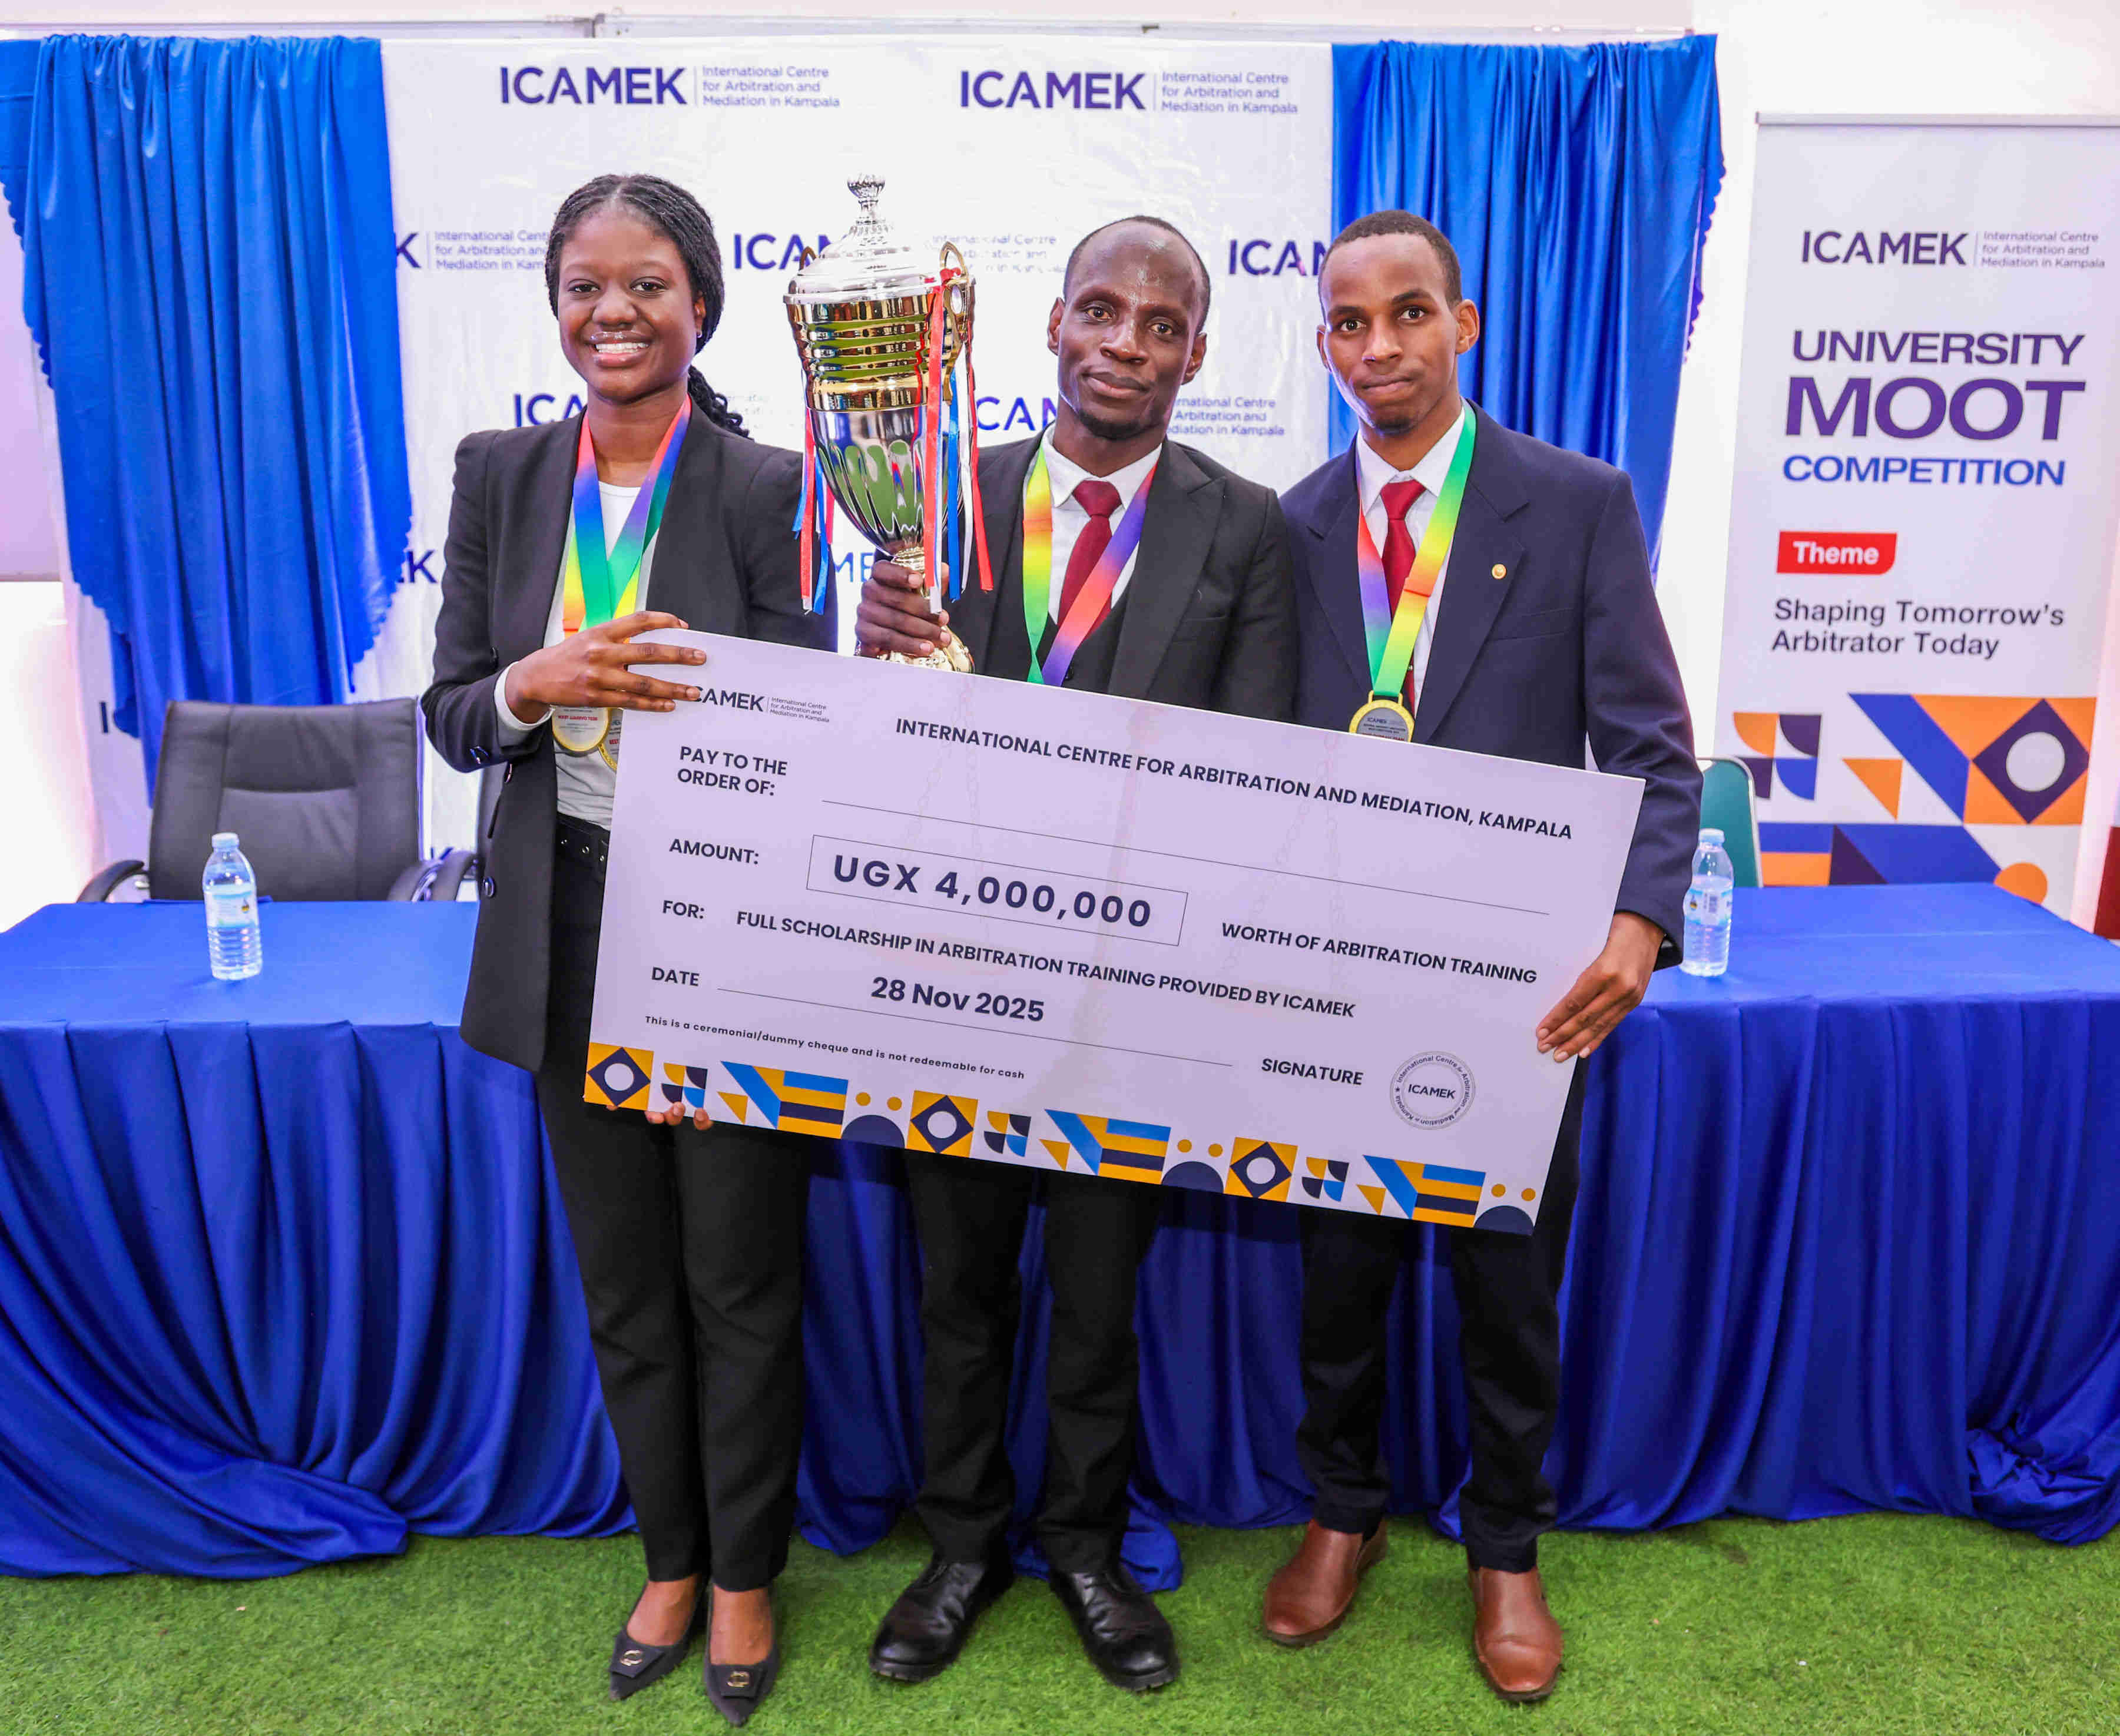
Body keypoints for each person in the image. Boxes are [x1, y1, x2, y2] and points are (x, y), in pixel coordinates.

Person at [1257, 210, 1700, 1702]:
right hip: (1331, 974)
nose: (1378, 344)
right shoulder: (1290, 525)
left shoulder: (1574, 504)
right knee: (1338, 1274)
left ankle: (1505, 1547)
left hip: (1521, 991)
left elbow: (1653, 749)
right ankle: (1343, 1513)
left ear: (1466, 325)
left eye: (1409, 312)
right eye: (1349, 321)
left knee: (1508, 1285)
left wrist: (1639, 920)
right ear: (1325, 344)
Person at [852, 214, 1296, 1694]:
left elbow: (1253, 766)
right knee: (960, 1288)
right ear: (1050, 324)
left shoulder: (1245, 526)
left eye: (1161, 325)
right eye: (1100, 310)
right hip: (955, 974)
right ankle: (962, 1544)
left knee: (1101, 1298)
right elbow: (875, 748)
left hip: (1129, 988)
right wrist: (870, 644)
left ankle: (1089, 1546)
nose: (1125, 344)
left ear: (1197, 355)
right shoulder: (938, 499)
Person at [422, 173, 832, 1727]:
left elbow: (816, 724)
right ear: (556, 306)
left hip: (720, 923)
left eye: (648, 284)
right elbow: (452, 712)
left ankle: (746, 1575)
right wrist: (533, 680)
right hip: (564, 926)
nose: (615, 311)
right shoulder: (500, 473)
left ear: (699, 306)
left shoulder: (768, 485)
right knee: (625, 1281)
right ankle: (671, 1557)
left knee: (739, 1274)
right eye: (587, 285)